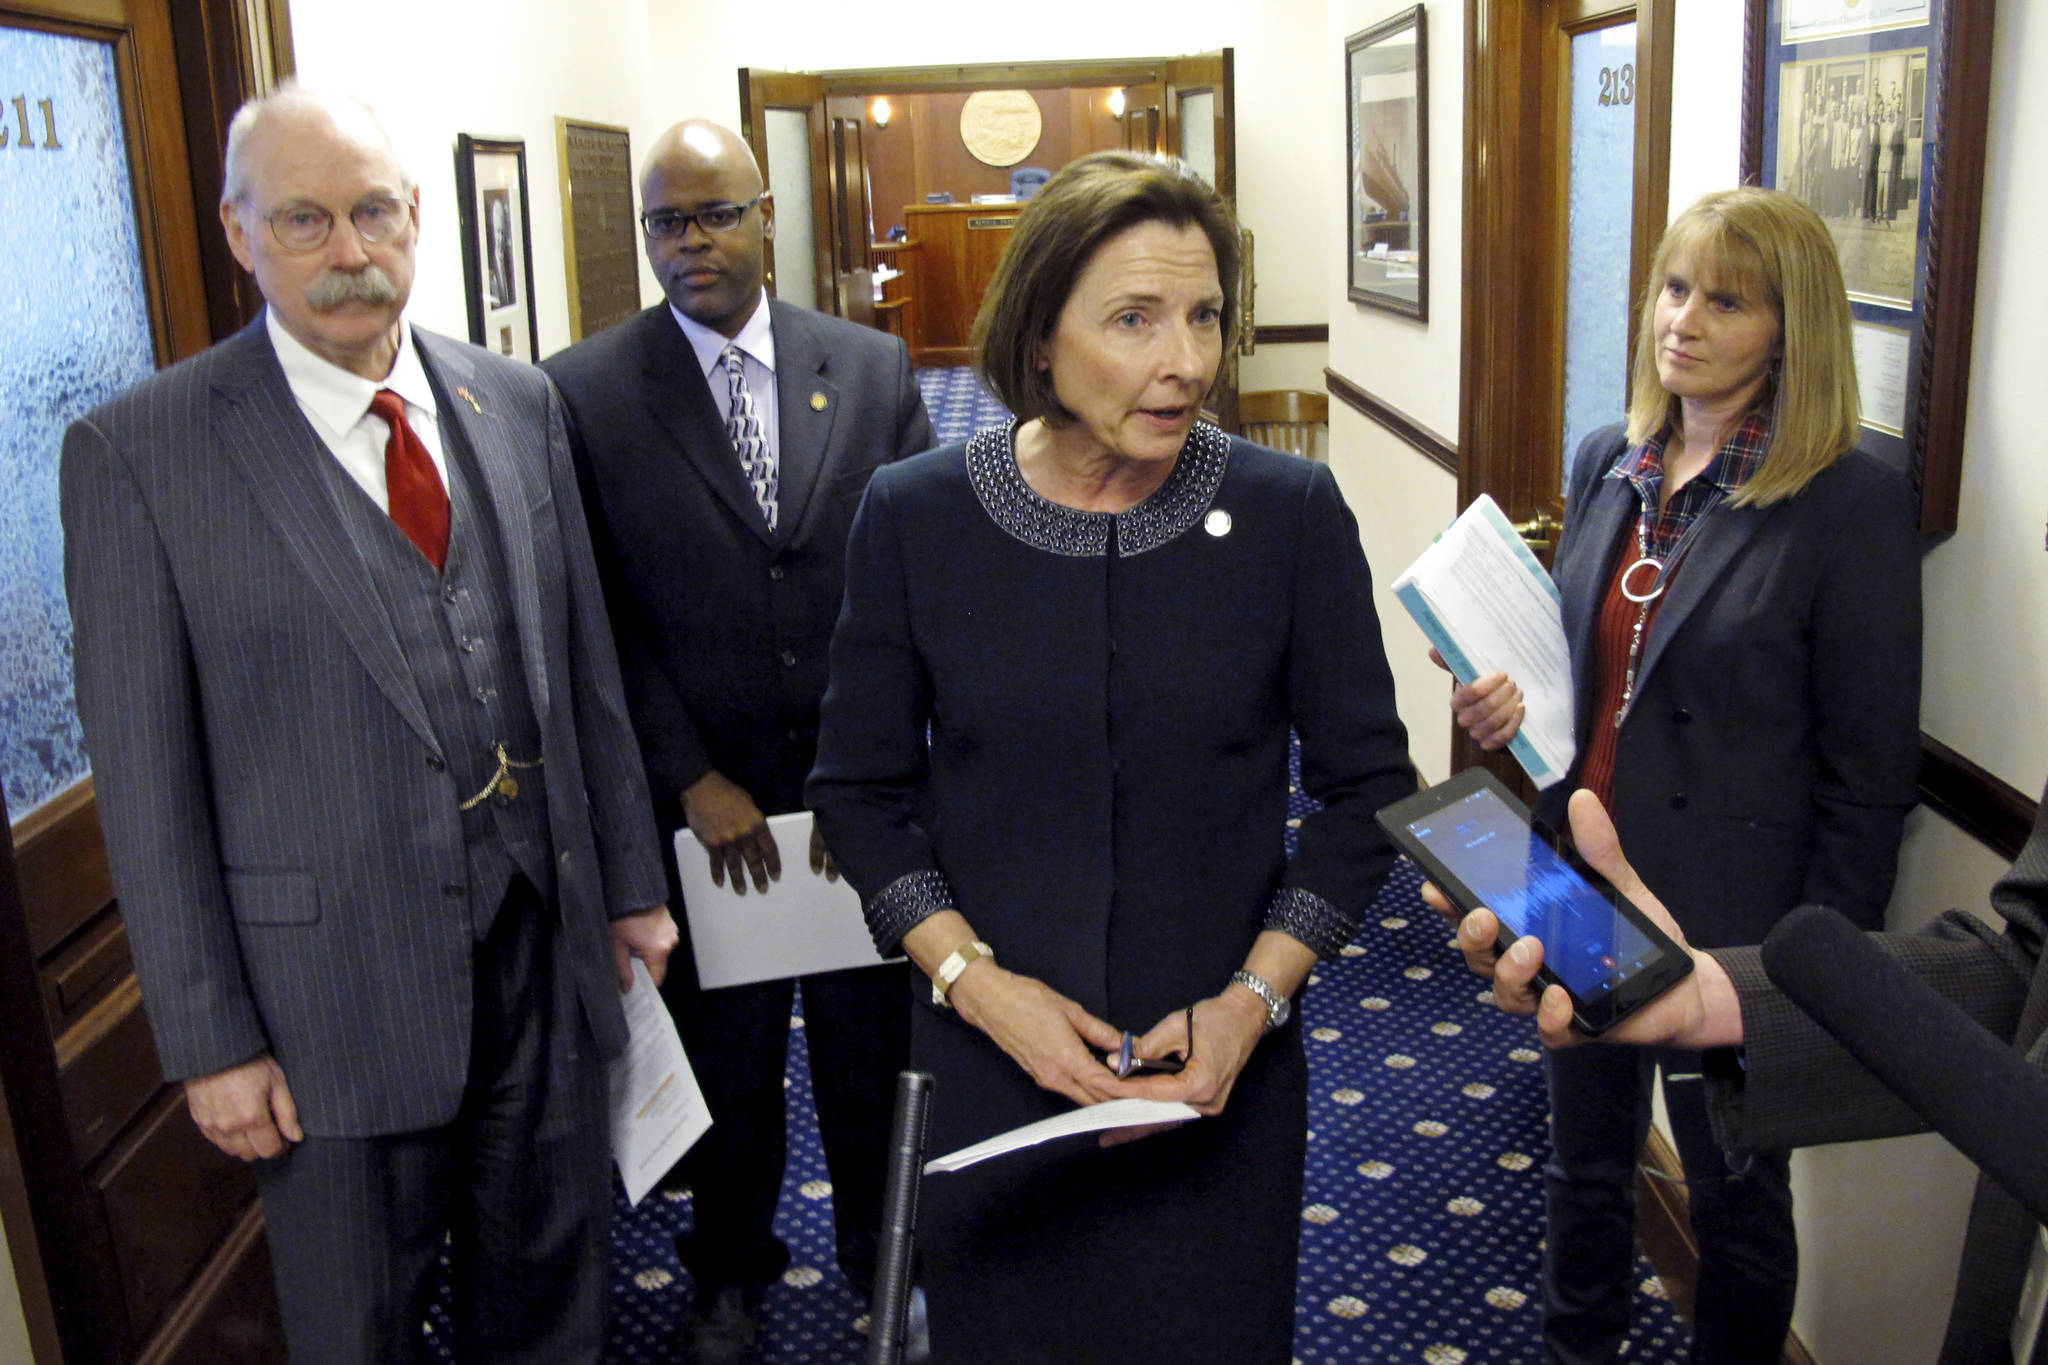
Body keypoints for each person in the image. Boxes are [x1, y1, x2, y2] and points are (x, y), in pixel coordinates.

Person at [59, 85, 678, 1364]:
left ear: (413, 222)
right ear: (240, 235)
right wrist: (210, 1040)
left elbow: (582, 671)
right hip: (325, 1006)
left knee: (552, 1298)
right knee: (358, 1330)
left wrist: (627, 882)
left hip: (542, 954)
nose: (350, 252)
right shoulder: (141, 455)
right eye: (303, 221)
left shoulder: (512, 402)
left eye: (374, 214)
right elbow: (147, 779)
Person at [805, 150, 1417, 1364]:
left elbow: (1365, 796)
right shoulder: (916, 515)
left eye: (1202, 316)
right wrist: (978, 988)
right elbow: (859, 794)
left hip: (1216, 1069)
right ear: (1039, 333)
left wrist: (1252, 1004)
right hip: (991, 1062)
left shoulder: (1289, 514)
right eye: (1132, 319)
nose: (1183, 359)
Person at [1445, 186, 1922, 1362]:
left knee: (1734, 1204)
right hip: (1579, 883)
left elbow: (1869, 771)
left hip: (1739, 929)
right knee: (1585, 1169)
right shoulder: (1611, 456)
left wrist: (1816, 972)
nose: (1682, 320)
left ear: (1789, 325)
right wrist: (1502, 711)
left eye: (1724, 299)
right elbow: (1582, 678)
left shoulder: (1845, 499)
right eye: (1671, 287)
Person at [542, 119, 930, 1364]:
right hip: (705, 814)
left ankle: (887, 1256)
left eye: (712, 214)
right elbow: (590, 613)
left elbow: (920, 577)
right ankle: (726, 1273)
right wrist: (685, 773)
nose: (688, 242)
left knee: (873, 1056)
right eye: (665, 220)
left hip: (858, 798)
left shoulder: (867, 368)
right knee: (729, 1067)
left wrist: (879, 763)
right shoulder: (584, 391)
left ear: (765, 215)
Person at [1431, 783, 2048, 1365]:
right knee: (1584, 1166)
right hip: (2021, 1292)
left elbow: (1866, 788)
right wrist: (1722, 997)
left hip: (1744, 903)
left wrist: (1833, 960)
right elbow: (2026, 985)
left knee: (1739, 1216)